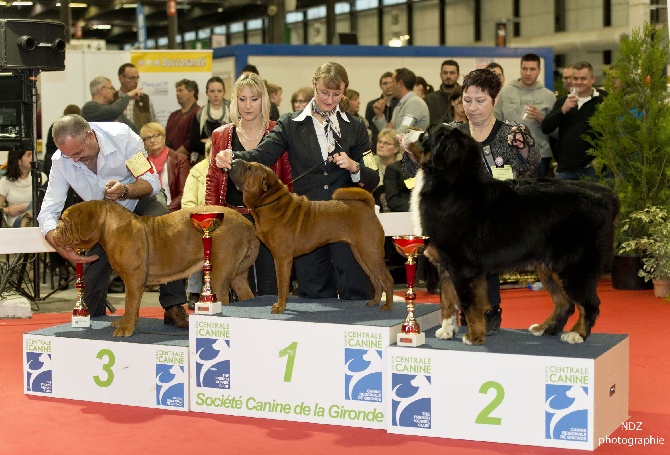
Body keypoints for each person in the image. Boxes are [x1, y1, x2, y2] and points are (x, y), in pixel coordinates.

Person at [214, 62, 379, 301]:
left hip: (345, 218)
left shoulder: (356, 127)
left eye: (336, 94)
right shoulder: (290, 123)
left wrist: (355, 167)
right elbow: (262, 155)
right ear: (313, 84)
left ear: (345, 91)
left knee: (357, 291)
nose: (329, 100)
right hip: (305, 223)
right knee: (313, 294)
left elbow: (373, 176)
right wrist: (234, 157)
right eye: (323, 92)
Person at [37, 114, 189, 326]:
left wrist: (125, 190)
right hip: (104, 222)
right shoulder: (61, 161)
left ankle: (174, 306)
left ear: (89, 136)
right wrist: (59, 244)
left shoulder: (123, 137)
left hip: (139, 200)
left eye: (78, 152)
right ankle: (94, 319)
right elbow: (48, 211)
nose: (74, 160)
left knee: (162, 231)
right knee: (90, 281)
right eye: (67, 155)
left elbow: (151, 181)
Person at [455, 68, 541, 332]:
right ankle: (466, 311)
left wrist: (524, 147)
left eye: (480, 101)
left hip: (500, 216)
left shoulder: (511, 133)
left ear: (495, 99)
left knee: (486, 260)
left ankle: (490, 311)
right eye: (467, 100)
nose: (472, 107)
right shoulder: (453, 134)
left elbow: (533, 165)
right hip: (461, 217)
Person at [205, 73, 293, 296]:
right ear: (235, 101)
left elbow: (288, 179)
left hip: (269, 219)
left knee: (269, 285)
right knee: (236, 286)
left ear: (264, 100)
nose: (248, 105)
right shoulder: (221, 134)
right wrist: (211, 218)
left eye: (254, 99)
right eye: (242, 99)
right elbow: (213, 179)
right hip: (233, 219)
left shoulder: (278, 131)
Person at [494, 53, 557, 177]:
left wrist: (541, 119)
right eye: (525, 69)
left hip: (540, 156)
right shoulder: (505, 93)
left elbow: (556, 131)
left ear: (539, 71)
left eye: (532, 69)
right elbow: (494, 124)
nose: (528, 73)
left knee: (538, 195)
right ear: (520, 69)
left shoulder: (549, 96)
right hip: (509, 154)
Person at [541, 61, 607, 180]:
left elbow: (612, 133)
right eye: (575, 78)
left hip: (593, 170)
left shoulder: (603, 101)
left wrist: (603, 158)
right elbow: (546, 127)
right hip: (566, 169)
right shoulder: (563, 102)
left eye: (583, 78)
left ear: (592, 79)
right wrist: (563, 110)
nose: (578, 82)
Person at [181, 139, 212, 308]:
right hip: (200, 221)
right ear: (206, 155)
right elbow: (188, 202)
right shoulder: (197, 172)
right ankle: (194, 292)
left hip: (225, 222)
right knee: (196, 248)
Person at [140, 122, 190, 213]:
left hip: (173, 212)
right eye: (147, 138)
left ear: (164, 137)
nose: (152, 140)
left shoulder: (180, 160)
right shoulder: (143, 164)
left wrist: (165, 212)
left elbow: (183, 194)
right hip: (150, 212)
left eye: (156, 135)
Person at [372, 68, 429, 135]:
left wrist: (391, 132)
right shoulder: (400, 105)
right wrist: (379, 115)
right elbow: (387, 135)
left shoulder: (415, 103)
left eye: (392, 82)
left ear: (400, 84)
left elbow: (403, 132)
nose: (390, 86)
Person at [1, 145, 46, 227]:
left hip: (38, 220)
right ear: (19, 161)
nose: (33, 158)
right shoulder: (5, 181)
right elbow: (0, 209)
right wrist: (8, 211)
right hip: (15, 223)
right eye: (29, 155)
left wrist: (21, 207)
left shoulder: (41, 177)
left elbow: (45, 203)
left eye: (33, 154)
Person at [189, 76, 231, 165]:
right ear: (207, 93)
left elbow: (235, 142)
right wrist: (221, 142)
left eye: (219, 91)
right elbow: (193, 144)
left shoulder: (233, 114)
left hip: (228, 161)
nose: (216, 95)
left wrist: (208, 141)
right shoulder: (199, 114)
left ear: (224, 92)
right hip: (204, 161)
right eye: (212, 91)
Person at [165, 79, 200, 158]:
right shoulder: (173, 115)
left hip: (188, 162)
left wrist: (175, 156)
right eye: (177, 91)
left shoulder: (199, 113)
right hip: (170, 160)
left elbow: (191, 142)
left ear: (192, 93)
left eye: (180, 91)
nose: (177, 94)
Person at [117, 63, 156, 131]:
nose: (135, 81)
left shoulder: (144, 99)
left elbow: (153, 124)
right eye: (132, 78)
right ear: (121, 79)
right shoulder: (112, 98)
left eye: (137, 78)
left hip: (140, 139)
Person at [365, 71, 399, 147]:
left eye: (391, 83)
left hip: (395, 146)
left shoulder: (401, 105)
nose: (388, 86)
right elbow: (368, 129)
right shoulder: (372, 105)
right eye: (385, 83)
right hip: (375, 145)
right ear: (381, 86)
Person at [424, 59, 461, 124]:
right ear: (441, 75)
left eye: (452, 73)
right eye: (445, 73)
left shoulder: (466, 99)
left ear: (458, 75)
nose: (448, 76)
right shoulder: (429, 100)